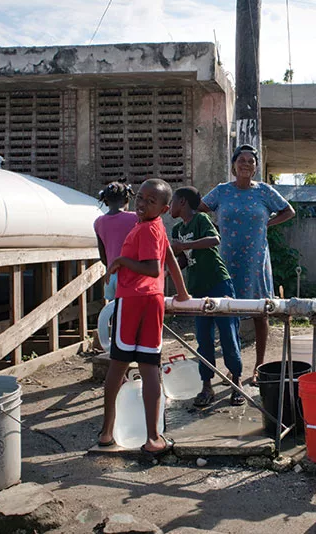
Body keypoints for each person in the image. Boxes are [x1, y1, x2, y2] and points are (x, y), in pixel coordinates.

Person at [98, 179, 191, 457]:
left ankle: (106, 431)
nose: (142, 203)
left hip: (133, 301)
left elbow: (152, 268)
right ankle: (153, 437)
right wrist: (183, 292)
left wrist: (121, 262)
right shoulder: (155, 227)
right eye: (140, 197)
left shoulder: (148, 229)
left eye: (151, 201)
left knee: (118, 367)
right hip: (153, 301)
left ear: (163, 209)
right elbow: (170, 260)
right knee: (150, 366)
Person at [199, 144, 295, 384]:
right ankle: (234, 367)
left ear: (255, 168)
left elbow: (288, 211)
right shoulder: (221, 191)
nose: (245, 164)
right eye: (241, 160)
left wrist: (267, 225)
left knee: (260, 313)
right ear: (233, 165)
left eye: (250, 161)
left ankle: (259, 367)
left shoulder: (264, 191)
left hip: (256, 260)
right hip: (228, 259)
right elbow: (200, 210)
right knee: (228, 313)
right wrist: (214, 229)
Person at [170, 186, 244, 407]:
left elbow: (214, 239)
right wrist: (166, 271)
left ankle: (236, 383)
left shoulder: (201, 219)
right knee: (203, 340)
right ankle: (206, 385)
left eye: (173, 201)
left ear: (182, 202)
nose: (170, 207)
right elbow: (184, 259)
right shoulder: (176, 230)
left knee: (229, 336)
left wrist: (185, 245)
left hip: (218, 283)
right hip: (197, 289)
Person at [94, 182, 137, 301]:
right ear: (127, 199)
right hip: (130, 277)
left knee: (114, 315)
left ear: (106, 201)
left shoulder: (98, 222)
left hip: (111, 277)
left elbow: (103, 258)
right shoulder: (136, 218)